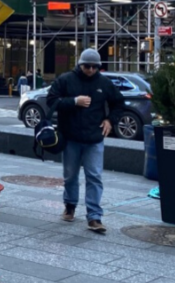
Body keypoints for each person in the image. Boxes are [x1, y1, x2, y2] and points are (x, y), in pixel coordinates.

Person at [46, 49, 124, 233]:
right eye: (86, 66)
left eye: (94, 67)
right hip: (71, 137)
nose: (90, 70)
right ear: (79, 64)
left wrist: (110, 120)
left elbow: (119, 103)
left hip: (94, 138)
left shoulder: (104, 83)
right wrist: (74, 101)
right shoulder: (66, 79)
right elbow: (51, 100)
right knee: (70, 176)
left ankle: (94, 216)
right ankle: (70, 206)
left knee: (94, 176)